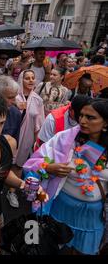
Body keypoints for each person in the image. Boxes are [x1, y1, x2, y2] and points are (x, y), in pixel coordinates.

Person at [23, 98, 108, 255]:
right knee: (53, 248)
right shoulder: (65, 139)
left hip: (92, 217)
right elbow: (32, 162)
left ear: (105, 124)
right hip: (60, 210)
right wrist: (48, 167)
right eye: (81, 115)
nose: (82, 121)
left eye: (90, 117)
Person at [7, 70, 45, 207]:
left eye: (33, 78)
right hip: (11, 133)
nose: (30, 80)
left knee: (18, 164)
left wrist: (37, 145)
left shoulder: (38, 100)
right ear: (21, 80)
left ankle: (11, 192)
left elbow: (39, 124)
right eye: (27, 78)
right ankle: (0, 184)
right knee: (5, 161)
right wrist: (16, 107)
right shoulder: (14, 96)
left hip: (27, 136)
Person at [0, 75, 22, 142]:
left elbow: (14, 143)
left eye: (15, 97)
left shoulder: (15, 114)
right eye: (10, 98)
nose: (14, 102)